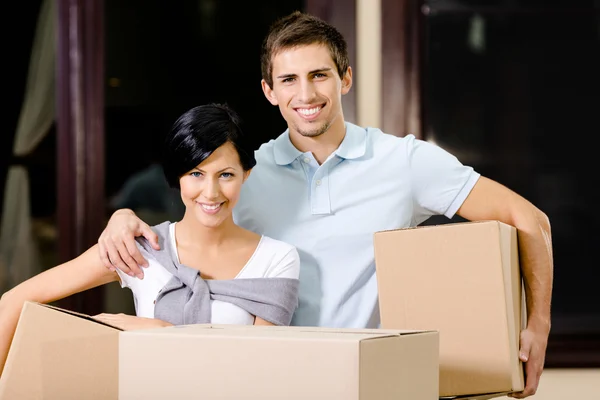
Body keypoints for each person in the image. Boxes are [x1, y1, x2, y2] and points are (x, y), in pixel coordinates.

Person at [97, 12, 552, 398]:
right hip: (275, 386)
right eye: (289, 80)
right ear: (269, 91)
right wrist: (121, 217)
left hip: (374, 384)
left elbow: (529, 220)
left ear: (345, 78)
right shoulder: (249, 176)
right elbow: (184, 231)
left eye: (319, 75)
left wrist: (538, 324)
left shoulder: (406, 162)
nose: (307, 95)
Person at [0, 104, 301, 375]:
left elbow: (262, 370)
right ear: (177, 176)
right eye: (196, 174)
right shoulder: (140, 247)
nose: (210, 192)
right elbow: (13, 300)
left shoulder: (276, 259)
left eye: (225, 175)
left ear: (246, 174)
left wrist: (158, 331)